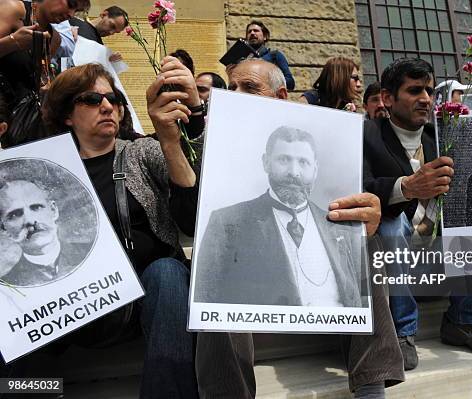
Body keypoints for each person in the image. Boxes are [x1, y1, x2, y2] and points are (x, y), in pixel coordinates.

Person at [195, 59, 404, 399]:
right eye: (230, 88)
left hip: (328, 303)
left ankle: (371, 385)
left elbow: (365, 192)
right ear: (267, 163)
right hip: (251, 299)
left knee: (368, 241)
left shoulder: (336, 143)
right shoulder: (214, 160)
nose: (234, 95)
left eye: (248, 88)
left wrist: (370, 212)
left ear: (280, 95)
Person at [39, 59, 204, 398]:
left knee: (168, 271)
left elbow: (196, 207)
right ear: (67, 115)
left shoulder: (141, 152)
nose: (106, 106)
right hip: (74, 303)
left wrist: (178, 135)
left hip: (145, 295)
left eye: (112, 99)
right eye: (90, 99)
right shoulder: (44, 172)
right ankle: (26, 391)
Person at [363, 58, 472, 372]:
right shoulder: (365, 134)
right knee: (390, 226)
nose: (426, 99)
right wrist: (406, 187)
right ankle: (401, 332)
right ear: (387, 99)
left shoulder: (446, 136)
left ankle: (468, 321)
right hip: (391, 256)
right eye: (414, 90)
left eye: (429, 90)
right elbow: (357, 187)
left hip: (441, 253)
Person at [194, 126, 363, 307]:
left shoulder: (338, 225)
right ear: (266, 162)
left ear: (315, 169)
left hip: (335, 332)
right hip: (265, 334)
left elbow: (357, 297)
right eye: (284, 160)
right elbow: (205, 299)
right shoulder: (227, 221)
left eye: (303, 162)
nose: (294, 172)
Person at [0, 179, 91, 286]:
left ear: (53, 210)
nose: (29, 220)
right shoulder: (9, 285)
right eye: (15, 215)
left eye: (36, 207)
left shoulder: (92, 253)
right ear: (4, 229)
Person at [245, 20, 294, 90]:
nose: (252, 33)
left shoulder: (275, 56)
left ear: (265, 36)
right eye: (249, 32)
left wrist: (266, 79)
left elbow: (290, 83)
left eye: (256, 31)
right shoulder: (243, 60)